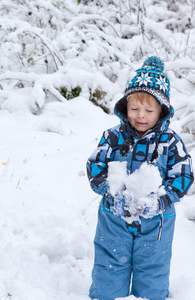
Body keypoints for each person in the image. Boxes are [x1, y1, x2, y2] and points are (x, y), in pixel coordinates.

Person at [86, 56, 194, 300]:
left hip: (156, 223)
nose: (141, 116)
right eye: (134, 109)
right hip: (114, 218)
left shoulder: (171, 143)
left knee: (153, 272)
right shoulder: (113, 137)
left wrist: (161, 201)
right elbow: (95, 165)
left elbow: (183, 175)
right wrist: (110, 193)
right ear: (125, 108)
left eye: (149, 110)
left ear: (162, 111)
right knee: (109, 268)